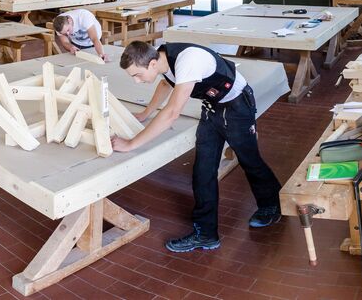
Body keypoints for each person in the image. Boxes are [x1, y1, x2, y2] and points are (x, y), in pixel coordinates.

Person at [113, 41, 283, 253]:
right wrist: (145, 114)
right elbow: (166, 84)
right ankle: (206, 234)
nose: (137, 81)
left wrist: (131, 144)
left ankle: (272, 205)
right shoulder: (163, 60)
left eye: (137, 75)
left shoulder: (188, 61)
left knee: (250, 161)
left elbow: (172, 113)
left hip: (237, 106)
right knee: (203, 171)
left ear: (153, 63)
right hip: (212, 109)